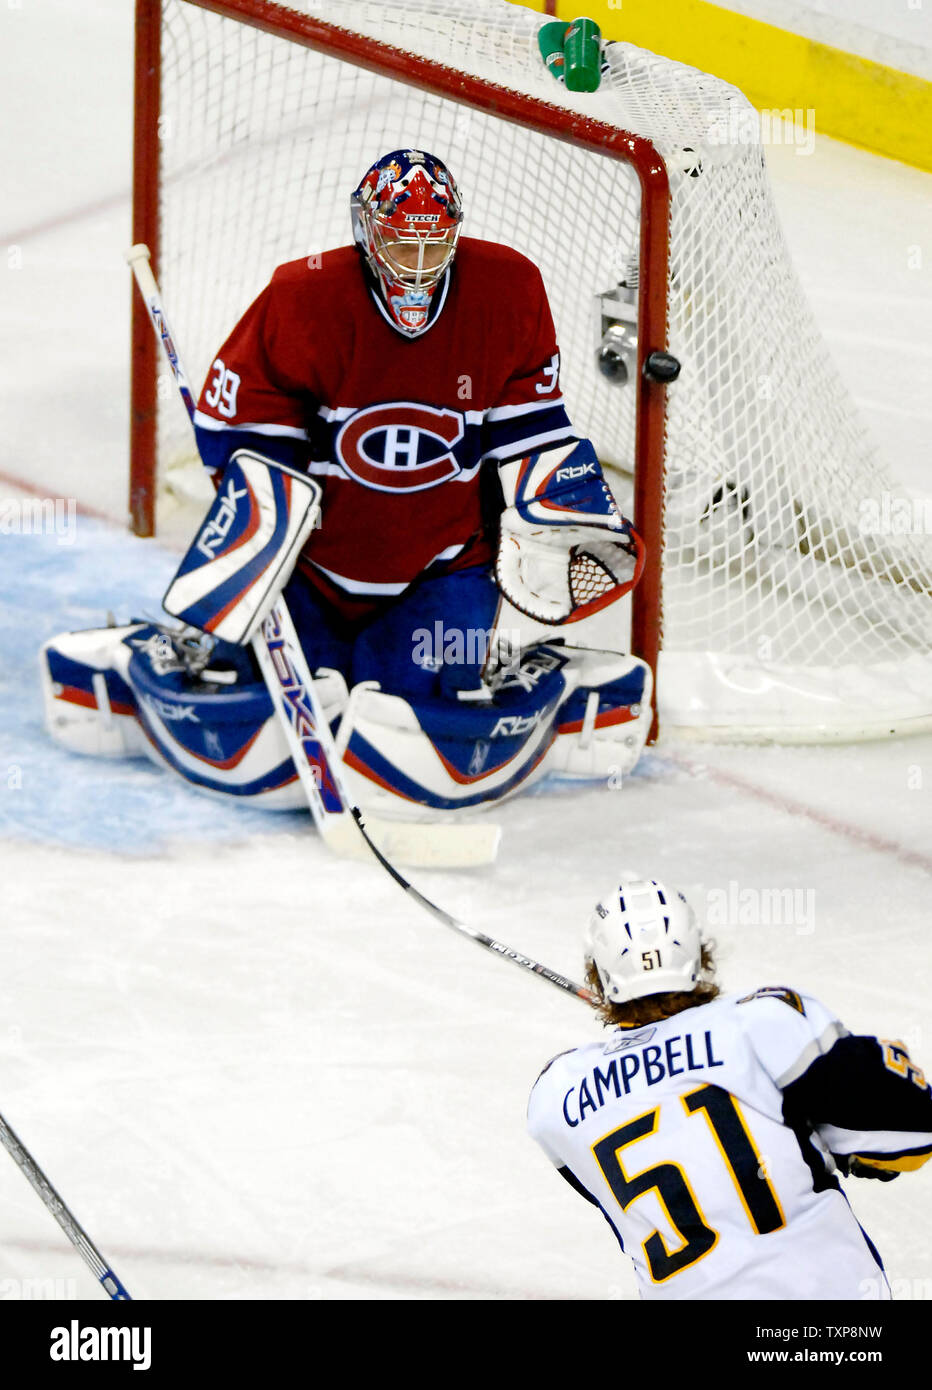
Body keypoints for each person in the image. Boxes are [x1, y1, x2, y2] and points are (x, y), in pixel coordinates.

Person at [42, 149, 651, 819]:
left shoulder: (507, 290)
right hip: (315, 568)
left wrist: (566, 510)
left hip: (442, 566)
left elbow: (531, 432)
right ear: (366, 231)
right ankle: (154, 651)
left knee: (418, 704)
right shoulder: (302, 295)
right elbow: (234, 427)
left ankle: (536, 674)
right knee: (275, 686)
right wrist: (266, 523)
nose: (418, 261)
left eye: (435, 240)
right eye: (400, 240)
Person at [527, 876, 932, 1300]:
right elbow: (911, 1133)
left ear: (598, 972)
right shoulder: (764, 1023)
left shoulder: (557, 1096)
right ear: (700, 954)